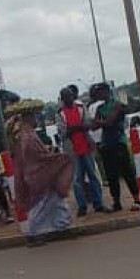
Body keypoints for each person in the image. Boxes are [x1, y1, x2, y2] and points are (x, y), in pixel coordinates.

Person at [8, 101, 74, 246]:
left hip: (34, 173)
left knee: (55, 201)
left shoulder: (23, 134)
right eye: (34, 117)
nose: (36, 120)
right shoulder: (28, 136)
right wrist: (52, 156)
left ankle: (62, 225)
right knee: (42, 205)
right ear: (28, 118)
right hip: (38, 174)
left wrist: (47, 151)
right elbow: (36, 157)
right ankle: (33, 233)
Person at [53, 85, 106, 217]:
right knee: (77, 180)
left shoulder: (81, 108)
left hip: (86, 146)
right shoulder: (60, 113)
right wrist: (79, 127)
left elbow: (88, 124)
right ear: (63, 99)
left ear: (73, 97)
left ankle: (98, 203)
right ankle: (82, 206)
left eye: (70, 96)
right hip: (72, 150)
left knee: (92, 175)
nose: (69, 99)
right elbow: (63, 132)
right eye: (66, 97)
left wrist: (74, 128)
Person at [88, 83, 140, 213]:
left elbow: (109, 122)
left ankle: (136, 199)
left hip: (118, 142)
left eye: (100, 92)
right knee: (111, 175)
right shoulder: (101, 107)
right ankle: (116, 202)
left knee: (127, 172)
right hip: (106, 143)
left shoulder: (117, 104)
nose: (99, 95)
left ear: (106, 91)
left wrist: (100, 122)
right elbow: (94, 125)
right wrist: (102, 122)